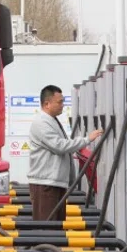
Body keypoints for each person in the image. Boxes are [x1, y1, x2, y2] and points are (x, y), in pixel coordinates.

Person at [28, 85, 103, 221]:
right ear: (47, 104)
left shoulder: (51, 121)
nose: (63, 105)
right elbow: (60, 146)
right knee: (47, 228)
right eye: (60, 102)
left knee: (57, 227)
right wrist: (87, 139)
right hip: (46, 185)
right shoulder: (41, 123)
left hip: (54, 183)